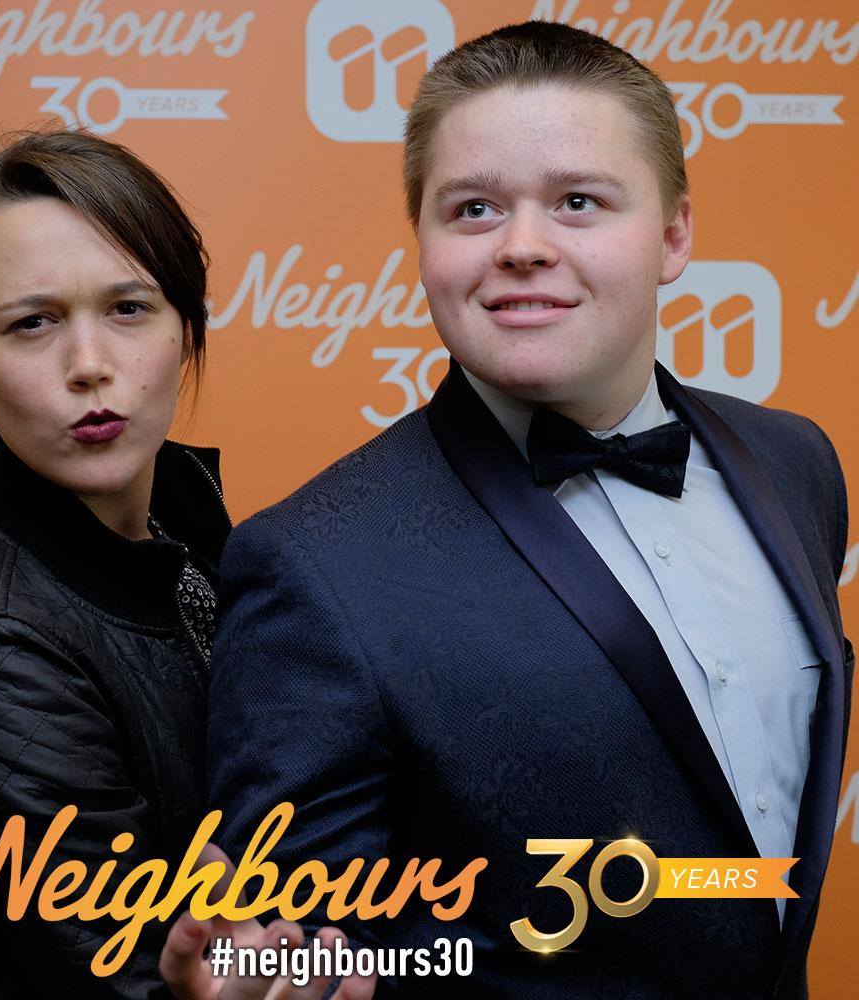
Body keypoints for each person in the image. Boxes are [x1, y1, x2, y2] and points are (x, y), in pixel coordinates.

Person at [193, 20, 853, 1000]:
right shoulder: (312, 565)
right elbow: (295, 955)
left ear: (674, 235)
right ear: (422, 242)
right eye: (473, 209)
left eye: (578, 201)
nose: (523, 247)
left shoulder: (796, 463)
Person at [0, 130, 373, 1000]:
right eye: (32, 323)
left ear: (186, 327)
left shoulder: (184, 520)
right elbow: (132, 976)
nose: (90, 366)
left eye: (129, 309)